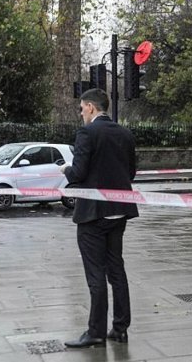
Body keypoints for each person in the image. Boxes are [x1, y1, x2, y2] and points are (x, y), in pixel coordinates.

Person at [60, 88, 138, 348]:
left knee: (96, 275)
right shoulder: (125, 133)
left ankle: (95, 332)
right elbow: (131, 173)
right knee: (116, 269)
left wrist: (65, 169)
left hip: (93, 214)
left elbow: (79, 173)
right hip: (120, 210)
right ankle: (120, 328)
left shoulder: (87, 133)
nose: (81, 113)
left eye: (82, 108)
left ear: (91, 107)